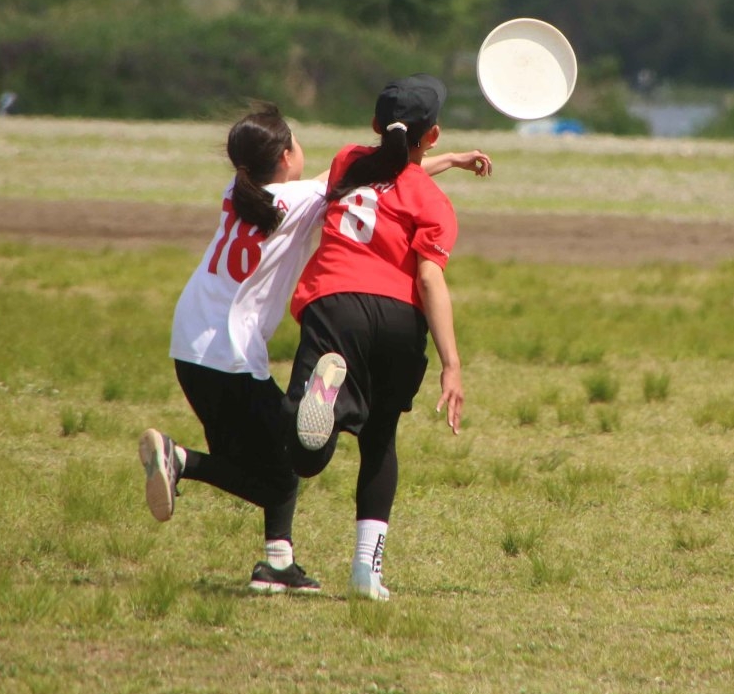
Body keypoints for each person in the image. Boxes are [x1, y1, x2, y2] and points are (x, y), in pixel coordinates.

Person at [139, 101, 490, 594]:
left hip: (188, 344)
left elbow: (370, 174)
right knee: (285, 462)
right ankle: (182, 462)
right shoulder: (302, 199)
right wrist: (447, 160)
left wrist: (447, 160)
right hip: (232, 354)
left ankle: (276, 561)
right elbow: (380, 178)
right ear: (286, 156)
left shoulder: (237, 195)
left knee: (263, 467)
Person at [285, 74, 471, 601]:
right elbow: (429, 278)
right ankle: (367, 571)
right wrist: (452, 364)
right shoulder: (433, 203)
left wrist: (447, 159)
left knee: (303, 453)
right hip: (398, 318)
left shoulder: (348, 162)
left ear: (374, 124)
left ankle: (324, 410)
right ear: (431, 135)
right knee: (380, 437)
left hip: (335, 301)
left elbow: (384, 172)